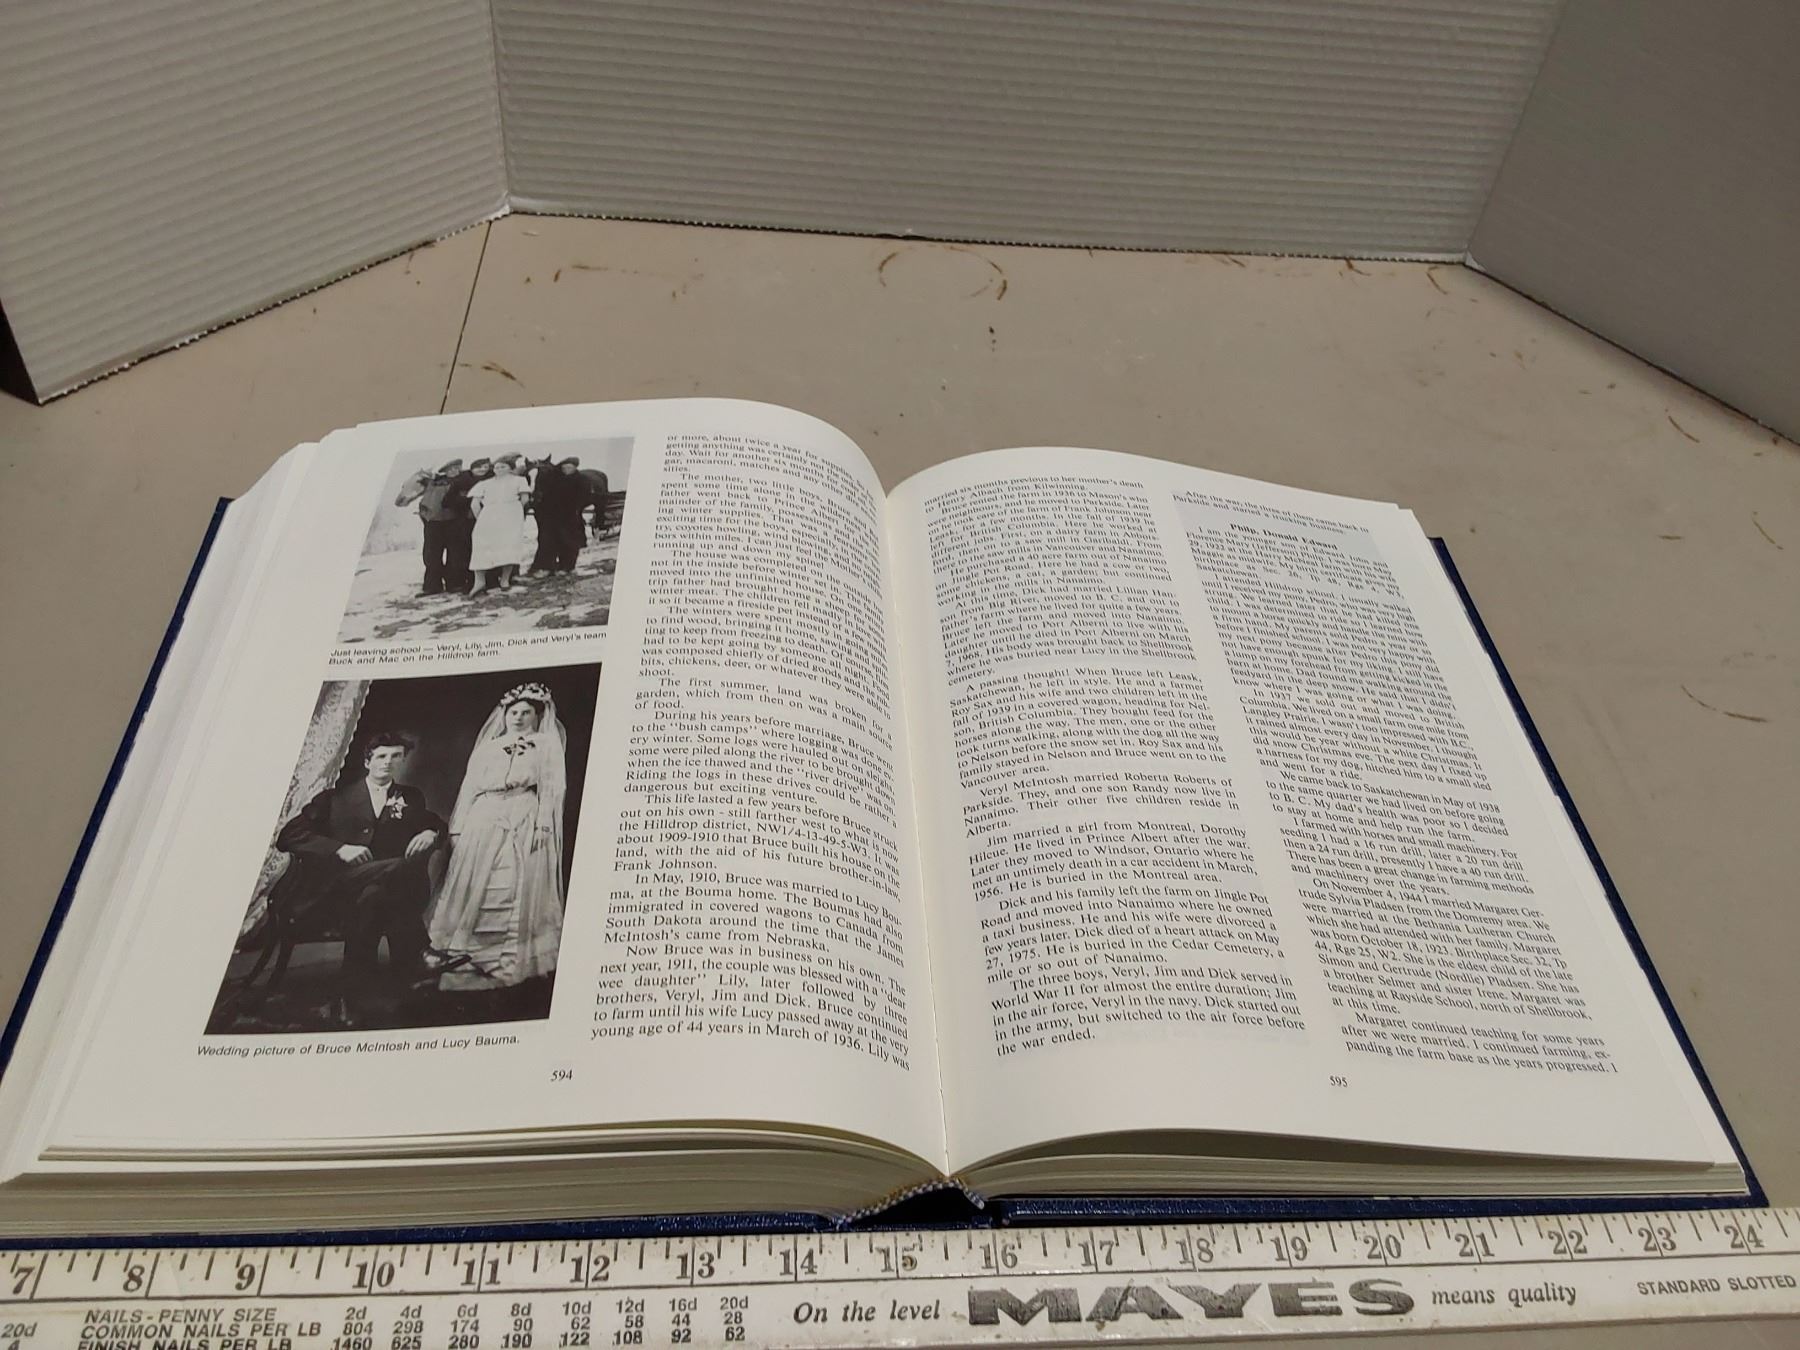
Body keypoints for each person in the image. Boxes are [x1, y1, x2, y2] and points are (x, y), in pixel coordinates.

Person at [270, 731, 444, 1026]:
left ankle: (349, 997)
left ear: (402, 761)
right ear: (367, 761)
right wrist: (340, 848)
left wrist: (431, 832)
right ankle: (419, 953)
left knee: (374, 895)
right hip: (338, 891)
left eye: (396, 756)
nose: (388, 762)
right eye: (381, 756)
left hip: (380, 895)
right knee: (399, 868)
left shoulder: (410, 797)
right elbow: (289, 836)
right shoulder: (334, 798)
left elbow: (434, 823)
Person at [428, 683, 567, 990]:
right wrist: (458, 826)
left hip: (523, 812)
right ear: (504, 714)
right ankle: (465, 950)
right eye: (513, 712)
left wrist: (544, 824)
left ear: (536, 715)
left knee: (515, 878)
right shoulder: (489, 747)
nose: (518, 718)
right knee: (475, 878)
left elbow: (552, 789)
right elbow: (469, 787)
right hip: (485, 814)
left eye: (525, 713)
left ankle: (509, 955)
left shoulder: (546, 745)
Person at [393, 458, 469, 596]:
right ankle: (432, 586)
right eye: (450, 469)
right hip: (433, 522)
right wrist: (419, 476)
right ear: (444, 471)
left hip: (455, 521)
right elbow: (402, 500)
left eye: (457, 468)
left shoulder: (464, 481)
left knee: (455, 554)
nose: (454, 471)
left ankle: (455, 584)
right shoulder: (431, 482)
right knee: (431, 555)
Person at [467, 455, 530, 594]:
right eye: (496, 467)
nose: (499, 469)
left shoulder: (519, 480)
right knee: (481, 546)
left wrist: (514, 512)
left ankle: (505, 580)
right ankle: (479, 581)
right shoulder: (484, 483)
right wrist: (481, 519)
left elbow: (525, 499)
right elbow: (474, 504)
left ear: (510, 468)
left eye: (503, 467)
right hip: (488, 516)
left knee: (509, 546)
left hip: (510, 517)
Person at [526, 456, 591, 576]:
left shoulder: (582, 479)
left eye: (569, 467)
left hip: (571, 516)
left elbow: (583, 497)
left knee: (570, 542)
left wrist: (575, 509)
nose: (566, 469)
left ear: (575, 468)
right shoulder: (556, 478)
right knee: (552, 540)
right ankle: (549, 566)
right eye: (564, 467)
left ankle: (567, 567)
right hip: (554, 516)